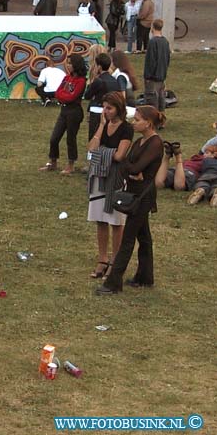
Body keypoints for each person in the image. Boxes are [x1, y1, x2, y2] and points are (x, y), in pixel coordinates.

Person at [97, 106, 165, 294]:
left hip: (143, 196)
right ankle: (145, 277)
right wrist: (132, 169)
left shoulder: (155, 143)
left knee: (128, 239)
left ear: (148, 123)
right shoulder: (140, 142)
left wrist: (134, 169)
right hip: (135, 192)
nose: (133, 123)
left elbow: (133, 167)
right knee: (144, 236)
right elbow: (127, 165)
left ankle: (113, 283)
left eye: (137, 120)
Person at [86, 92, 134, 279]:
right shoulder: (104, 125)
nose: (106, 111)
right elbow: (91, 148)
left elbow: (120, 155)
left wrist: (102, 152)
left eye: (110, 108)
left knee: (115, 221)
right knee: (100, 219)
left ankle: (115, 260)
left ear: (118, 109)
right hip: (99, 176)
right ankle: (102, 259)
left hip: (115, 178)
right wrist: (101, 126)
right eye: (104, 108)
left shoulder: (126, 129)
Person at [39, 54, 88, 175]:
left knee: (71, 139)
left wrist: (63, 97)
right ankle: (53, 162)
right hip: (64, 110)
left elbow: (72, 96)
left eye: (71, 63)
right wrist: (63, 97)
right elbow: (58, 92)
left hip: (74, 112)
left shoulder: (81, 81)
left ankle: (71, 165)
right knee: (54, 138)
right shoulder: (67, 78)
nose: (68, 65)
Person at [84, 52, 121, 139]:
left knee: (94, 136)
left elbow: (87, 95)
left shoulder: (98, 81)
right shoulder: (114, 80)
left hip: (97, 111)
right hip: (111, 112)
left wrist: (92, 82)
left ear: (99, 67)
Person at [144, 19, 170, 112]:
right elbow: (167, 59)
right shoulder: (165, 42)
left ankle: (154, 120)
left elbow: (151, 60)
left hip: (152, 77)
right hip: (162, 75)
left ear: (152, 28)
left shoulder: (152, 42)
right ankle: (161, 119)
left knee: (152, 99)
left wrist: (148, 76)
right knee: (161, 98)